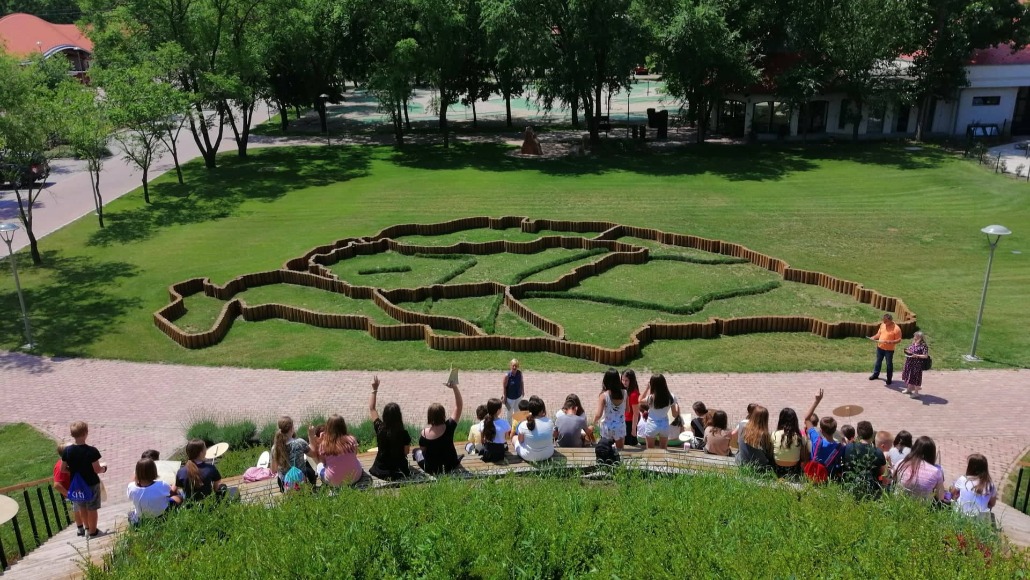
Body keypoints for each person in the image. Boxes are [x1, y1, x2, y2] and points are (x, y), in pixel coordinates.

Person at [61, 421, 107, 537]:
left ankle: (86, 528)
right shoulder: (92, 451)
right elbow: (97, 469)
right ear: (85, 433)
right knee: (92, 508)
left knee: (82, 507)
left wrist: (74, 471)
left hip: (77, 484)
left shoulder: (67, 451)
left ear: (72, 434)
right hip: (91, 483)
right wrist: (104, 469)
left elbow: (63, 469)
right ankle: (93, 531)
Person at [368, 376, 413, 480]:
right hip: (399, 470)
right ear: (399, 416)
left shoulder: (380, 428)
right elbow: (406, 452)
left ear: (384, 415)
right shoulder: (403, 433)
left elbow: (372, 408)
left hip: (380, 469)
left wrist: (374, 389)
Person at [416, 380, 463, 474]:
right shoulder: (449, 426)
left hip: (432, 469)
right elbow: (459, 406)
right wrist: (454, 387)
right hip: (451, 465)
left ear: (429, 416)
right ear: (443, 415)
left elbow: (423, 450)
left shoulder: (424, 433)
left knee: (416, 452)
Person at [307, 415, 363, 487]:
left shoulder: (324, 444)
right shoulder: (351, 439)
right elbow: (355, 454)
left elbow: (323, 462)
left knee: (319, 466)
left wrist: (319, 441)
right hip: (355, 477)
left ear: (328, 428)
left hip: (334, 481)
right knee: (356, 460)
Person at [841, 421, 887, 497]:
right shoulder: (878, 452)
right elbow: (882, 471)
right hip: (871, 490)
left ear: (858, 435)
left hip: (850, 487)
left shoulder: (848, 447)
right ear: (872, 434)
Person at [127, 458, 179, 523]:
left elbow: (130, 497)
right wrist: (175, 484)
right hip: (161, 516)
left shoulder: (131, 487)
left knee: (132, 513)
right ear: (154, 471)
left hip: (142, 518)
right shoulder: (161, 485)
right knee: (178, 497)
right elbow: (171, 493)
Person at [271, 416, 316, 491]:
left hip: (285, 483)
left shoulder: (275, 448)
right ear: (292, 429)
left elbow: (273, 470)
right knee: (309, 468)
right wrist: (311, 436)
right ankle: (312, 488)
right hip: (301, 481)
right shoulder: (300, 443)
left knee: (281, 475)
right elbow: (313, 454)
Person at [894, 436, 945, 501]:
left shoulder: (901, 463)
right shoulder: (936, 471)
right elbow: (941, 497)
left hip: (897, 504)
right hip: (922, 506)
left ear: (914, 449)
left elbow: (891, 480)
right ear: (932, 453)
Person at [638, 374, 679, 450]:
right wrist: (676, 404)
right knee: (663, 449)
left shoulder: (651, 398)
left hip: (652, 424)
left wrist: (647, 388)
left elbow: (640, 400)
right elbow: (674, 414)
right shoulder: (671, 397)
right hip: (664, 424)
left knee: (650, 450)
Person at [53, 444, 85, 535]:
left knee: (80, 507)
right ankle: (83, 528)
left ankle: (83, 527)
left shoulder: (70, 463)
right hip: (73, 491)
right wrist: (69, 494)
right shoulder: (60, 467)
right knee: (79, 508)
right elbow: (56, 485)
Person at [593, 368, 627, 449]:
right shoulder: (625, 393)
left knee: (605, 449)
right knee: (620, 450)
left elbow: (598, 414)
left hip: (607, 427)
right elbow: (627, 409)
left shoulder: (604, 396)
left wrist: (593, 423)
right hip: (620, 426)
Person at [513, 396, 555, 462]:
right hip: (548, 454)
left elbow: (520, 441)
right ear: (541, 411)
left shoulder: (523, 424)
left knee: (514, 438)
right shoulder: (549, 422)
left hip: (528, 456)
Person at [771, 408, 808, 479]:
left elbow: (771, 451)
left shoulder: (774, 434)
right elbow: (803, 456)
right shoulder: (800, 436)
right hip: (794, 467)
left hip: (777, 466)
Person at [868, 312, 902, 385]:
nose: (884, 322)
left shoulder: (896, 329)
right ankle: (875, 374)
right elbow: (879, 334)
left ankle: (889, 379)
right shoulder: (882, 325)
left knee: (889, 364)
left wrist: (890, 342)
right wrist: (873, 337)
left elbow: (899, 340)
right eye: (883, 320)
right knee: (878, 361)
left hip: (889, 350)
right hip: (880, 347)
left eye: (886, 321)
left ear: (890, 320)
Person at [735, 405, 773, 470]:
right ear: (765, 419)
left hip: (741, 461)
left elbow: (738, 443)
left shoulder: (741, 425)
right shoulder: (764, 434)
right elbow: (768, 454)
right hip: (758, 465)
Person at [479, 398, 511, 463]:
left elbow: (482, 440)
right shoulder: (504, 423)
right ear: (498, 411)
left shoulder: (483, 422)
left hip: (488, 453)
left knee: (478, 446)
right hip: (500, 453)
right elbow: (506, 438)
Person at [902, 331, 930, 398]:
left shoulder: (923, 346)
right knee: (909, 376)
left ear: (920, 337)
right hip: (910, 362)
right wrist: (907, 351)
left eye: (916, 336)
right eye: (914, 336)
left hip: (917, 364)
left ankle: (916, 393)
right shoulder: (914, 343)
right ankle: (909, 389)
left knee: (916, 378)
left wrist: (917, 355)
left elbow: (925, 356)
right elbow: (910, 350)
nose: (914, 337)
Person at [622, 370, 641, 446]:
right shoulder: (625, 390)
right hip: (624, 420)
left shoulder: (633, 394)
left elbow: (635, 413)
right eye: (622, 380)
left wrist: (633, 429)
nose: (624, 382)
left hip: (630, 423)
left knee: (629, 444)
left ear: (631, 380)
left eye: (626, 380)